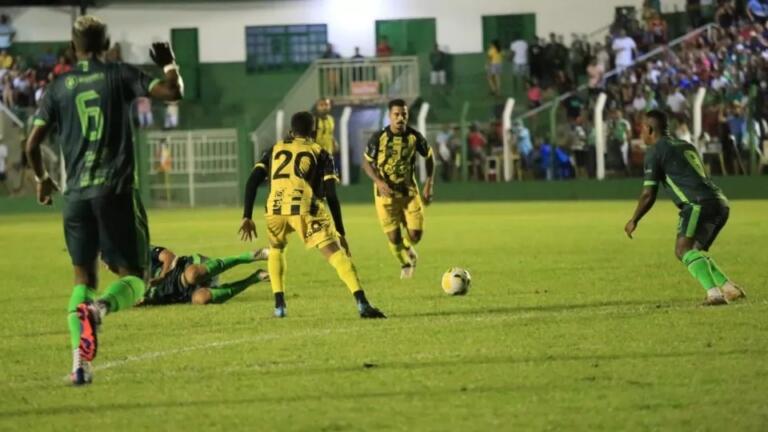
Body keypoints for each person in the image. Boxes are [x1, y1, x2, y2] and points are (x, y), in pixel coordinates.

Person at [26, 15, 183, 385]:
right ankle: (101, 309)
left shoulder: (58, 87)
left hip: (76, 196)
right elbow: (172, 92)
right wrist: (169, 62)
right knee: (137, 279)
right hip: (114, 191)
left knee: (82, 278)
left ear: (72, 45)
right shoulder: (119, 74)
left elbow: (32, 144)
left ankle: (80, 366)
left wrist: (42, 179)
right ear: (106, 42)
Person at [239, 111, 386, 319]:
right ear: (314, 132)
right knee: (335, 254)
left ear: (291, 131)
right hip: (303, 206)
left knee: (276, 249)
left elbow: (253, 180)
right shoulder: (321, 152)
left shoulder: (274, 149)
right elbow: (331, 196)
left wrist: (247, 215)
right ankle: (362, 304)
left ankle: (279, 307)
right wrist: (340, 232)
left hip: (275, 207)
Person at [624, 110, 745, 306]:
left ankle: (714, 294)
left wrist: (634, 219)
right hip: (720, 202)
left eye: (641, 130)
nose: (641, 134)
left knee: (682, 250)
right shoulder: (685, 145)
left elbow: (648, 194)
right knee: (694, 250)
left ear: (649, 129)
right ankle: (729, 287)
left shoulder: (655, 151)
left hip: (696, 204)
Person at [362, 99, 435, 279]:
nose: (400, 118)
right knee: (394, 238)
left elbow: (429, 157)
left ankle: (408, 246)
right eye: (396, 114)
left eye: (404, 114)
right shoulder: (378, 138)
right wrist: (378, 181)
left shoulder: (415, 137)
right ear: (389, 116)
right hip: (385, 195)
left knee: (416, 235)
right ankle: (405, 263)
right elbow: (366, 163)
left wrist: (429, 183)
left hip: (409, 192)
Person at [141, 245, 269, 306]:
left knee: (192, 276)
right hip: (182, 293)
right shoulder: (130, 288)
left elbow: (169, 256)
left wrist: (162, 276)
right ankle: (255, 278)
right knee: (202, 299)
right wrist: (143, 301)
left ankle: (250, 256)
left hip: (188, 268)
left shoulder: (142, 251)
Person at [314, 98, 336, 164]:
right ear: (317, 107)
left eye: (326, 105)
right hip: (317, 155)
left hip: (329, 154)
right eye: (321, 105)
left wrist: (334, 142)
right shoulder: (314, 120)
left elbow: (330, 133)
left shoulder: (331, 119)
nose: (324, 107)